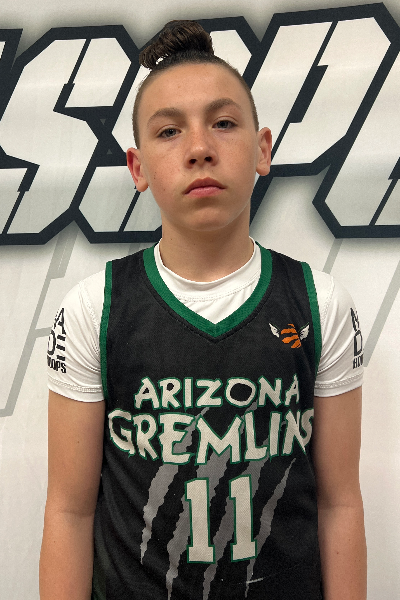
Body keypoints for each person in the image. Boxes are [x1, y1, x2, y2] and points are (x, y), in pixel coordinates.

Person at [40, 20, 366, 600]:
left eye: (223, 123)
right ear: (138, 168)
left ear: (262, 149)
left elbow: (339, 501)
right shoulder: (95, 308)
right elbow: (69, 510)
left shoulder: (320, 302)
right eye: (169, 131)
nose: (199, 149)